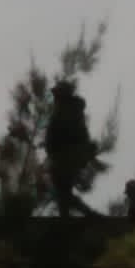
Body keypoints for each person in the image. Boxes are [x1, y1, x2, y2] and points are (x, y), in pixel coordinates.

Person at [44, 80, 101, 217]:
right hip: (66, 158)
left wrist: (54, 150)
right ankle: (85, 215)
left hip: (65, 159)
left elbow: (69, 135)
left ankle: (89, 215)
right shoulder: (70, 110)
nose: (54, 96)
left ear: (63, 94)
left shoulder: (67, 111)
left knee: (62, 193)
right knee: (63, 194)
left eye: (57, 93)